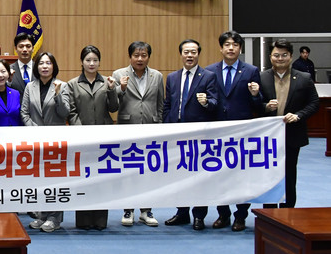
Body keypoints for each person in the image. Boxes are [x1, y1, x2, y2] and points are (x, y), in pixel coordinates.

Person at [205, 31, 263, 232]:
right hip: (217, 130)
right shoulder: (210, 71)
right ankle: (223, 214)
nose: (231, 48)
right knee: (219, 174)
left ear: (240, 48)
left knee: (241, 176)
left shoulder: (251, 71)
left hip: (242, 132)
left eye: (235, 45)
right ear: (221, 48)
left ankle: (240, 216)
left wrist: (255, 94)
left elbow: (258, 104)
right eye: (227, 44)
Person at [162, 39, 218, 231]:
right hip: (177, 133)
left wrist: (206, 102)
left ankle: (199, 215)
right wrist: (167, 126)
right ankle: (182, 212)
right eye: (186, 52)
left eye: (193, 52)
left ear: (198, 54)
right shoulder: (172, 77)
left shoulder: (208, 76)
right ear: (181, 54)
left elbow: (215, 103)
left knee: (199, 176)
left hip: (199, 135)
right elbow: (168, 104)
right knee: (179, 175)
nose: (190, 55)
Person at [63, 45, 118, 230]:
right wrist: (82, 132)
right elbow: (71, 111)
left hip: (104, 138)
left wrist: (112, 90)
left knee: (102, 179)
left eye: (95, 60)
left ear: (99, 62)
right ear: (82, 62)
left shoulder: (108, 82)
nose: (92, 63)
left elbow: (114, 108)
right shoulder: (72, 84)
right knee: (83, 179)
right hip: (82, 139)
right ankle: (84, 220)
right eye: (88, 60)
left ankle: (100, 220)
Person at [261, 39, 319, 208]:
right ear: (270, 57)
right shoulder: (261, 77)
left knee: (289, 174)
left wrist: (299, 115)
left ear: (291, 57)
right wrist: (265, 106)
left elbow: (314, 103)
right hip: (268, 137)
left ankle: (288, 213)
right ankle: (269, 213)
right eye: (276, 55)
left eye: (284, 55)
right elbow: (253, 103)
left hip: (292, 134)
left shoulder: (304, 78)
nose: (280, 58)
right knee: (268, 175)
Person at [111, 41, 163, 227]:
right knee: (128, 172)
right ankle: (128, 210)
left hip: (151, 130)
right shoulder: (119, 74)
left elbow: (160, 104)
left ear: (148, 57)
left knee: (149, 171)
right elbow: (112, 103)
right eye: (136, 55)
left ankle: (146, 211)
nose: (140, 59)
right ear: (130, 56)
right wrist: (121, 88)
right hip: (127, 129)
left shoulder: (157, 76)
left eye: (144, 55)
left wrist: (160, 125)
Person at [20, 52, 69, 232]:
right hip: (35, 140)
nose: (45, 66)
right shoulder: (29, 87)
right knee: (39, 178)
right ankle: (42, 215)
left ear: (53, 66)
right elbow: (24, 112)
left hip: (55, 141)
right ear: (37, 67)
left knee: (55, 178)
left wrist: (58, 95)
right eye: (41, 63)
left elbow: (65, 113)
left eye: (48, 63)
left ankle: (54, 217)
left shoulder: (62, 85)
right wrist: (35, 130)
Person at [9, 33, 35, 98]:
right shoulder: (8, 69)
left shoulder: (39, 69)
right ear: (15, 49)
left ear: (33, 48)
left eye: (28, 46)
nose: (25, 50)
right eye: (21, 46)